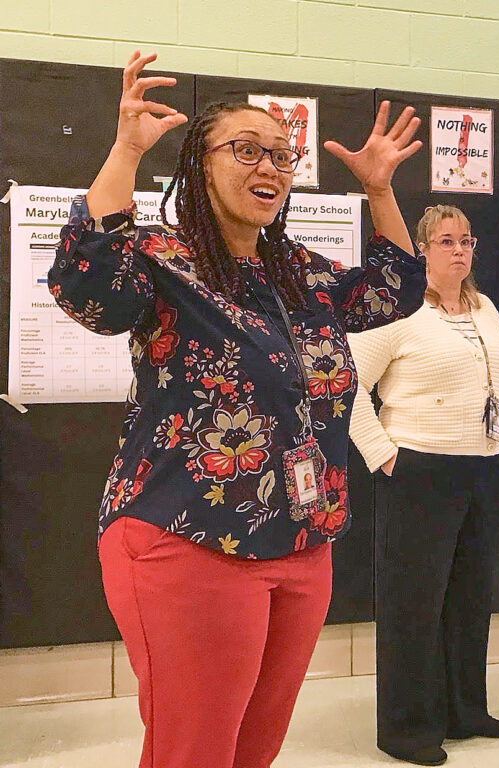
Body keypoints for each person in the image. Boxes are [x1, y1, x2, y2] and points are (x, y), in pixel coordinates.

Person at [48, 51, 425, 768]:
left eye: (281, 155)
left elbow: (394, 291)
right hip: (190, 537)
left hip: (303, 542)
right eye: (246, 150)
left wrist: (379, 191)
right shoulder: (164, 257)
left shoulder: (297, 273)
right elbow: (86, 283)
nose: (270, 168)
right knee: (194, 751)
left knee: (254, 750)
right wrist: (127, 149)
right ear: (199, 165)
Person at [348, 204, 499, 766]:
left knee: (470, 599)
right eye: (446, 241)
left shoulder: (485, 308)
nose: (460, 250)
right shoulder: (397, 315)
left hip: (485, 468)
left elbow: (498, 381)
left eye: (467, 240)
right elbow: (343, 386)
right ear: (422, 249)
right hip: (420, 471)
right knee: (413, 605)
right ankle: (408, 729)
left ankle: (465, 710)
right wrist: (383, 455)